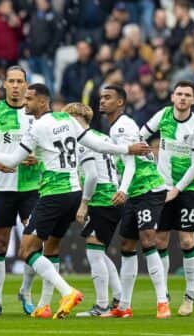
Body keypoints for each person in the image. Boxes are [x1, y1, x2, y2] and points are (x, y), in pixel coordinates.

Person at [0, 83, 150, 319]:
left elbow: (11, 161)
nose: (25, 102)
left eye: (30, 99)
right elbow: (96, 143)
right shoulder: (68, 120)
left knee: (26, 250)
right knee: (51, 246)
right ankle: (44, 305)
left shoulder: (37, 127)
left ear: (43, 102)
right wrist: (127, 148)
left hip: (53, 194)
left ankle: (67, 291)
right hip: (74, 193)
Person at [99, 84, 170, 319]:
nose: (102, 101)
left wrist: (122, 189)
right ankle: (124, 306)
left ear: (120, 102)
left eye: (108, 97)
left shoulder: (123, 126)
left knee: (148, 239)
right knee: (127, 246)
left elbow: (130, 161)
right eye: (102, 97)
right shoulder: (116, 127)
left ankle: (162, 302)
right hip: (135, 191)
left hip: (148, 188)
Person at [140, 80, 194, 317]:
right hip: (163, 187)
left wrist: (177, 189)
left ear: (193, 100)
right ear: (172, 97)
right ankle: (164, 295)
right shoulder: (163, 116)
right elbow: (140, 136)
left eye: (187, 95)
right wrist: (149, 162)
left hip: (187, 188)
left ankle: (190, 296)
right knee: (160, 240)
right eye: (178, 94)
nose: (182, 98)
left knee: (187, 241)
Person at [0, 67, 40, 316]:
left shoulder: (34, 114)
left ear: (26, 85)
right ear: (4, 85)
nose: (16, 86)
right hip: (2, 187)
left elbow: (48, 146)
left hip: (31, 187)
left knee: (33, 241)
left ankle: (26, 291)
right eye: (12, 81)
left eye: (20, 82)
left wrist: (37, 158)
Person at [59, 103, 123, 318]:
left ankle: (102, 306)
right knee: (100, 252)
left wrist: (84, 203)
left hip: (101, 200)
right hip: (112, 198)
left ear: (77, 117)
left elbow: (93, 175)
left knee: (94, 252)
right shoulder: (101, 137)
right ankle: (119, 299)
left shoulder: (83, 141)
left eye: (68, 118)